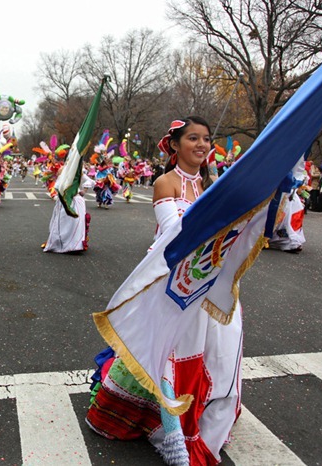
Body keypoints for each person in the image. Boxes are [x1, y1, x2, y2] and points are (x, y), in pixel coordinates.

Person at [87, 117, 241, 466]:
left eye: (206, 139)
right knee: (167, 357)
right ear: (175, 145)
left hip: (206, 281)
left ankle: (197, 415)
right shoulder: (164, 182)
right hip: (171, 281)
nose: (201, 145)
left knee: (207, 355)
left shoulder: (210, 184)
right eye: (193, 138)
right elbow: (175, 233)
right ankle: (172, 438)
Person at [42, 166, 95, 253]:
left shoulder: (78, 171)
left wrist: (84, 190)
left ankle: (75, 245)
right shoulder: (64, 170)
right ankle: (62, 243)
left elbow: (90, 181)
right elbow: (58, 187)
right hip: (65, 201)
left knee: (76, 222)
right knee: (64, 222)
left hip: (76, 200)